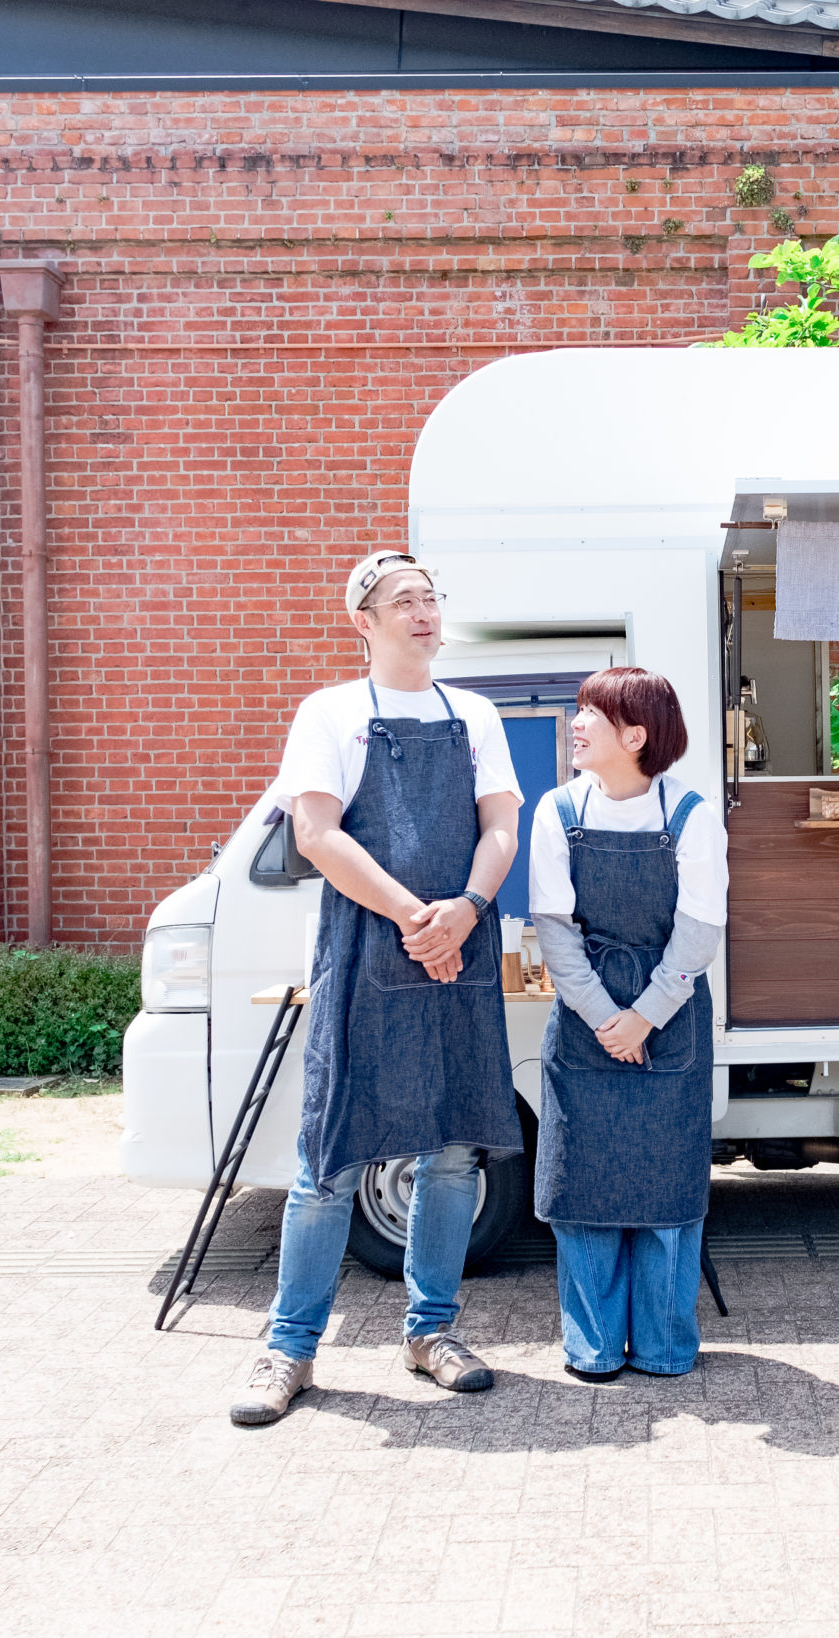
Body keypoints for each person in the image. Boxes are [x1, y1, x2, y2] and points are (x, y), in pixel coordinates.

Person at [230, 550, 525, 1427]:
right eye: (405, 600)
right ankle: (289, 1348)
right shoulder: (328, 714)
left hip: (460, 947)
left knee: (449, 1152)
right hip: (368, 946)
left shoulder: (472, 714)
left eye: (432, 598)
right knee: (329, 1157)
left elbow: (502, 825)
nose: (424, 611)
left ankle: (431, 1331)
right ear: (363, 620)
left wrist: (466, 911)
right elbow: (317, 833)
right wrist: (413, 916)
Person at [528, 667, 728, 1381]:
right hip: (585, 1023)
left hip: (669, 1021)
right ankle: (594, 1347)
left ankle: (668, 1346)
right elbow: (554, 931)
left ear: (635, 735)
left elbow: (700, 933)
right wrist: (607, 1017)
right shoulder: (557, 811)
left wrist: (642, 1016)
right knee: (582, 1190)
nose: (575, 722)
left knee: (667, 1192)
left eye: (590, 712)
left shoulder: (693, 816)